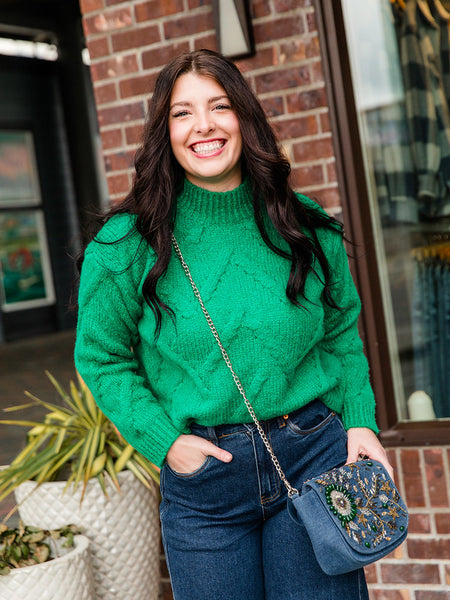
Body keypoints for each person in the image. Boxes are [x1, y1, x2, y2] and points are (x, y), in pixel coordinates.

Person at [75, 49, 393, 600]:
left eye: (219, 106)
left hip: (313, 456)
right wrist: (167, 442)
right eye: (182, 113)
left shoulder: (307, 228)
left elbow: (340, 331)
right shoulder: (125, 246)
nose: (204, 125)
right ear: (163, 130)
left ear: (244, 118)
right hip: (207, 484)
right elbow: (101, 357)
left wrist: (360, 421)